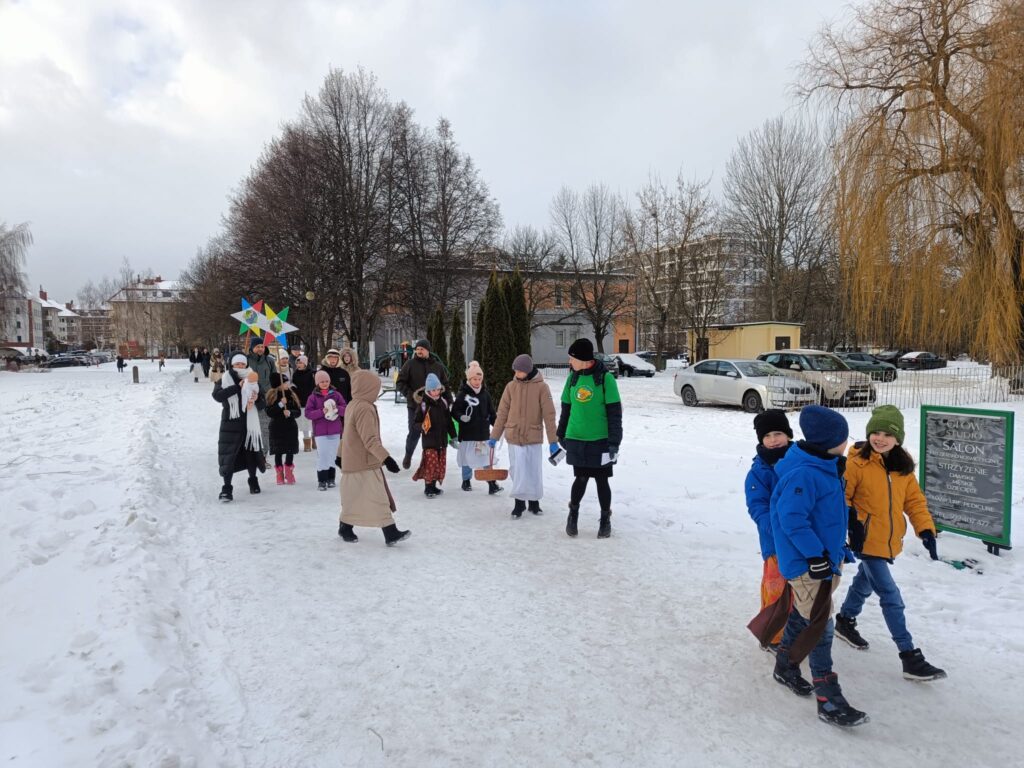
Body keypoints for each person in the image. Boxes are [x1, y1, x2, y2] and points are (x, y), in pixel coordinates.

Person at [770, 405, 868, 728]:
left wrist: (850, 522)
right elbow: (792, 519)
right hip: (808, 564)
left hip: (826, 559)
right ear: (828, 442)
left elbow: (826, 508)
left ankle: (785, 665)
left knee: (805, 613)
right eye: (843, 438)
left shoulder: (825, 464)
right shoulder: (805, 473)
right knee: (821, 626)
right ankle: (828, 697)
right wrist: (814, 556)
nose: (846, 443)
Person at [834, 405, 947, 681]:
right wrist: (850, 525)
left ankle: (845, 620)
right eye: (876, 433)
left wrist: (925, 529)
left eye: (888, 434)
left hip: (888, 539)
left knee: (864, 581)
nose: (880, 439)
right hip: (865, 538)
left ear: (898, 439)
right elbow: (841, 499)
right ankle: (909, 656)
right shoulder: (856, 463)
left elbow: (914, 501)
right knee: (890, 595)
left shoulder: (902, 466)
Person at [556, 339, 622, 538]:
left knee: (602, 480)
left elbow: (614, 413)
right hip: (576, 438)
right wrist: (561, 433)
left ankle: (605, 519)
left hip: (600, 440)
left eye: (572, 358)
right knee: (581, 478)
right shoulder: (572, 378)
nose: (569, 362)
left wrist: (614, 442)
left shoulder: (605, 379)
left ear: (583, 359)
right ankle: (573, 515)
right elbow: (566, 408)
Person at [338, 370, 410, 546]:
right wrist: (387, 459)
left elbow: (346, 434)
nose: (377, 392)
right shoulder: (364, 408)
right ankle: (390, 532)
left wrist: (340, 455)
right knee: (379, 498)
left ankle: (345, 527)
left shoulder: (353, 404)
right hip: (364, 462)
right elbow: (370, 440)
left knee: (353, 497)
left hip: (353, 460)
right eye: (375, 388)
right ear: (366, 388)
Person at [745, 409, 794, 653]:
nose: (773, 440)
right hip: (775, 543)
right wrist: (777, 530)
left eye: (778, 434)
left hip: (803, 540)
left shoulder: (800, 462)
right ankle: (773, 635)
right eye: (767, 436)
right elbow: (758, 507)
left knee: (800, 590)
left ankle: (797, 630)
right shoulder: (759, 472)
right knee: (776, 588)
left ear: (788, 435)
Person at [489, 354, 558, 517]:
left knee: (533, 471)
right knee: (518, 471)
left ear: (528, 370)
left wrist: (553, 440)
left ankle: (534, 503)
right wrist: (494, 436)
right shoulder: (510, 387)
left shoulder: (542, 387)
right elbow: (502, 413)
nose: (516, 374)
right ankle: (519, 504)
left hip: (533, 437)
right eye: (515, 371)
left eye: (519, 371)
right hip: (514, 436)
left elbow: (549, 415)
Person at [212, 353, 266, 500]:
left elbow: (263, 403)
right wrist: (237, 387)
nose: (240, 366)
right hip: (231, 423)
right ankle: (227, 488)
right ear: (232, 365)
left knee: (251, 453)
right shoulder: (225, 379)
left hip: (249, 423)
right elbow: (217, 396)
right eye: (237, 364)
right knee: (229, 455)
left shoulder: (252, 378)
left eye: (243, 364)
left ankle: (253, 480)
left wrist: (257, 399)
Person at [396, 339, 449, 468]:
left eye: (422, 349)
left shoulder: (437, 366)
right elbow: (400, 382)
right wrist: (411, 395)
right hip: (415, 406)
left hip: (434, 406)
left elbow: (445, 385)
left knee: (433, 433)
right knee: (414, 432)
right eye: (417, 349)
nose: (419, 351)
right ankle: (408, 455)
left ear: (428, 350)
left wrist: (449, 401)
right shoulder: (409, 364)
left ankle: (432, 460)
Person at [451, 360, 501, 493]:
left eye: (479, 379)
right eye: (474, 379)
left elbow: (492, 413)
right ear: (469, 379)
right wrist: (461, 417)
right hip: (467, 435)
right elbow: (455, 411)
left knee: (485, 458)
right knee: (467, 459)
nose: (477, 382)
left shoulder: (485, 395)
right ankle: (466, 480)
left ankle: (491, 483)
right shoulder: (463, 394)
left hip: (482, 435)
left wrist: (497, 426)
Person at [412, 372, 457, 497]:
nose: (436, 392)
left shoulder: (443, 403)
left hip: (442, 440)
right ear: (428, 390)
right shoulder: (423, 405)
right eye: (433, 390)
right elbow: (415, 423)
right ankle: (428, 487)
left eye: (438, 389)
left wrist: (453, 436)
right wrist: (421, 426)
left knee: (439, 464)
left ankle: (434, 486)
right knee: (431, 465)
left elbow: (449, 421)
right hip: (429, 441)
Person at [305, 370, 346, 490]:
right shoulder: (313, 397)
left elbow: (346, 409)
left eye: (327, 381)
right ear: (317, 383)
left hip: (335, 430)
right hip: (320, 432)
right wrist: (321, 412)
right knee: (323, 455)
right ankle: (322, 480)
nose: (325, 383)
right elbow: (308, 413)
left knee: (332, 455)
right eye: (322, 381)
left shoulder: (336, 395)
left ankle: (331, 478)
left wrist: (337, 408)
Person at [266, 372, 301, 485]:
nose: (288, 384)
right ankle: (279, 474)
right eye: (285, 382)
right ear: (278, 385)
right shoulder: (272, 396)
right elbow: (270, 412)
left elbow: (298, 412)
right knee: (278, 451)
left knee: (290, 450)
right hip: (277, 428)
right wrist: (280, 404)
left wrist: (290, 412)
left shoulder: (291, 394)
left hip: (290, 427)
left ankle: (289, 472)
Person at [291, 354, 315, 450]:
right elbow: (294, 386)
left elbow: (313, 387)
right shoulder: (295, 374)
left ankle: (313, 440)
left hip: (310, 401)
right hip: (299, 401)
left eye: (301, 363)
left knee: (311, 422)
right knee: (303, 423)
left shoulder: (311, 374)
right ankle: (305, 443)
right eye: (297, 363)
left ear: (305, 364)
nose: (299, 365)